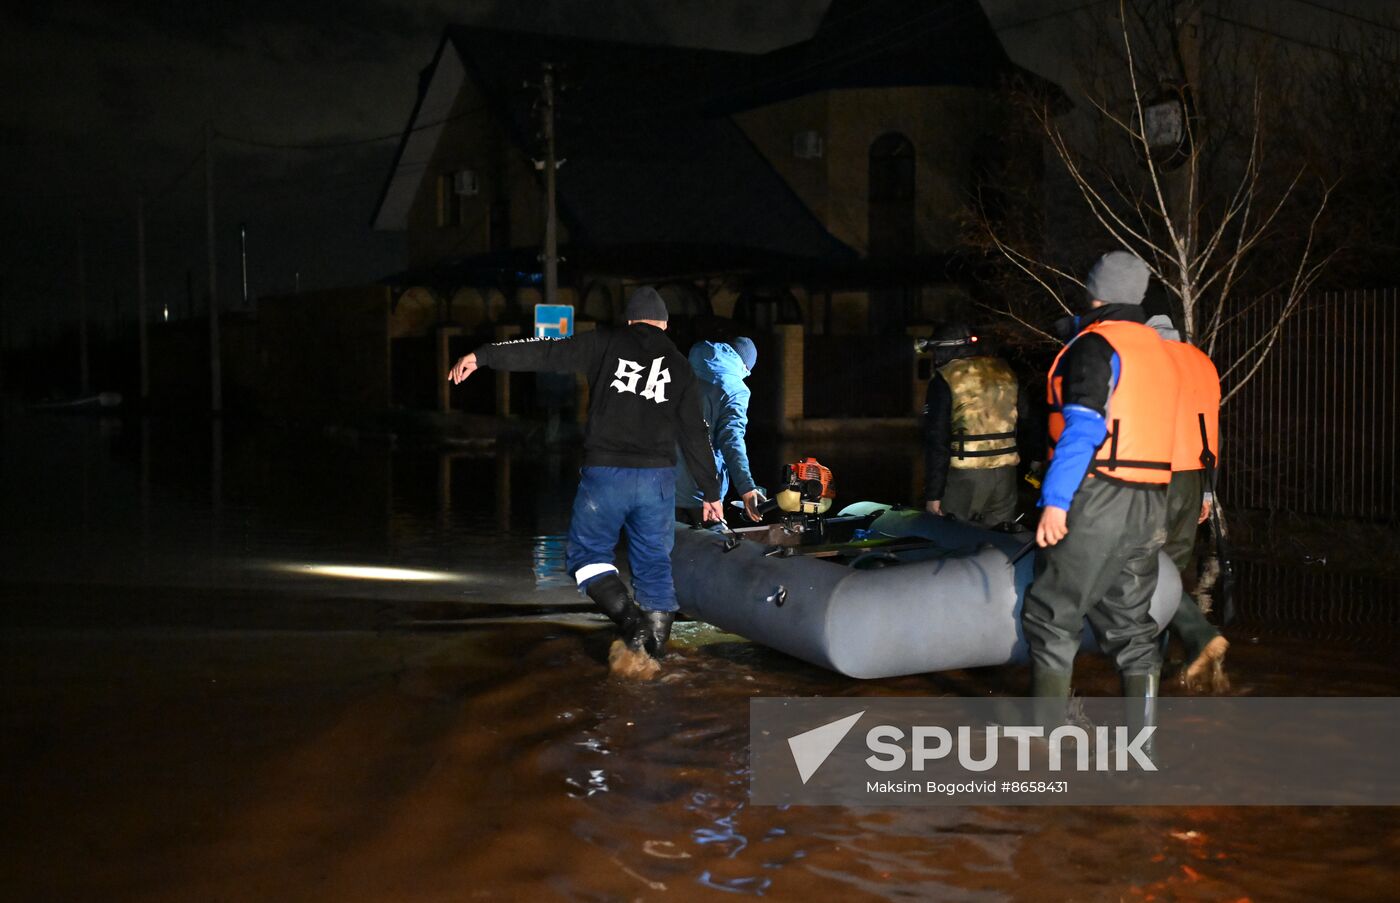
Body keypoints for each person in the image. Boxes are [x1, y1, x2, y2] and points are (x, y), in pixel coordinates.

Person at [448, 286, 723, 659]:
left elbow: (546, 351)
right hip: (657, 481)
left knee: (586, 556)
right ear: (665, 325)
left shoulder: (605, 342)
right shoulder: (679, 365)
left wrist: (483, 356)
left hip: (606, 476)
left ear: (629, 320)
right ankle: (655, 662)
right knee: (655, 567)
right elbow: (696, 434)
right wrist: (711, 492)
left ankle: (629, 622)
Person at [1022, 251, 1178, 704]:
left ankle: (1045, 736)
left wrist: (1056, 500)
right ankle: (1141, 749)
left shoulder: (1095, 346)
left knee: (1052, 617)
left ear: (1094, 291)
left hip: (1096, 495)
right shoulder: (1161, 350)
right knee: (1132, 626)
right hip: (1150, 501)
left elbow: (1084, 427)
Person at [1149, 314, 1230, 692]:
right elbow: (1212, 428)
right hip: (1194, 478)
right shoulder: (1202, 363)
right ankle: (1163, 657)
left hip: (1156, 476)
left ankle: (1187, 642)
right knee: (1173, 570)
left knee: (1145, 568)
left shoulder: (1151, 361)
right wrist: (1208, 492)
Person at [920, 323, 1021, 525]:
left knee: (952, 540)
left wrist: (934, 494)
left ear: (943, 349)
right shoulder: (1004, 371)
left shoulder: (945, 379)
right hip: (1006, 475)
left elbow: (937, 440)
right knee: (999, 544)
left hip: (965, 478)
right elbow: (1026, 419)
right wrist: (1035, 461)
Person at [675, 337, 764, 524]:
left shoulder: (684, 368)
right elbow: (732, 441)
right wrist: (747, 488)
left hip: (660, 485)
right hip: (701, 492)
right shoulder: (735, 389)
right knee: (711, 545)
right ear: (745, 368)